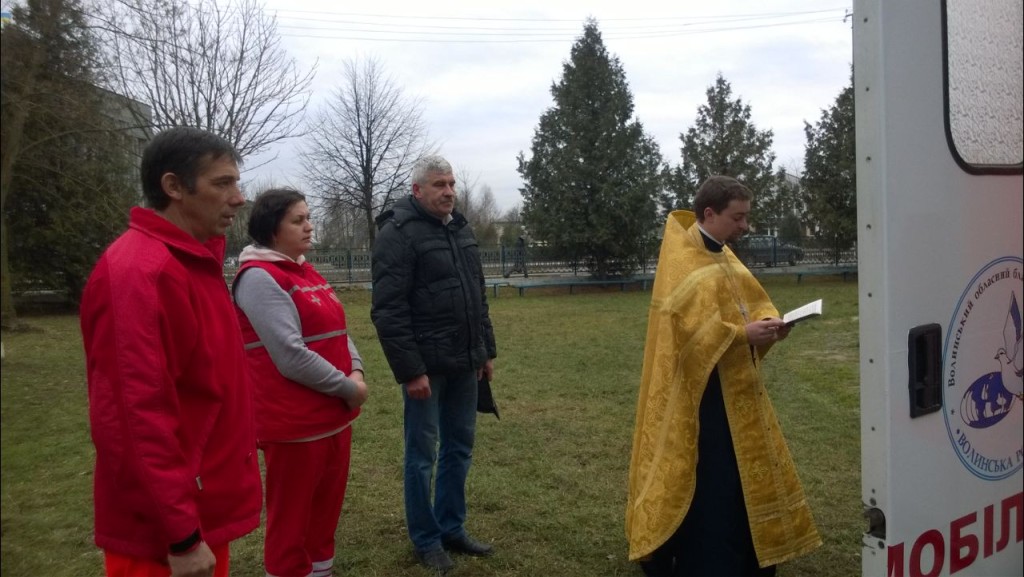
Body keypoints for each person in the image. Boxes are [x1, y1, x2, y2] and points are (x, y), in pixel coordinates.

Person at [79, 126, 261, 577]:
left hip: (200, 508)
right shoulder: (140, 273)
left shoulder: (193, 262)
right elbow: (132, 418)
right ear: (174, 186)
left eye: (237, 183)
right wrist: (179, 534)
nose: (239, 198)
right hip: (165, 537)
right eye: (223, 183)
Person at [625, 175, 821, 577]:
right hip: (703, 395)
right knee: (713, 479)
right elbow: (686, 333)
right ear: (710, 213)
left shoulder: (724, 254)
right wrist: (742, 335)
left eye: (747, 217)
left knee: (740, 479)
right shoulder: (683, 259)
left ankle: (750, 558)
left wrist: (771, 325)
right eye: (738, 217)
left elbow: (752, 303)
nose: (745, 226)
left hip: (740, 388)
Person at [232, 188, 369, 577]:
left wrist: (356, 370)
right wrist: (349, 388)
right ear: (271, 228)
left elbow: (338, 329)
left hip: (333, 417)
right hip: (295, 426)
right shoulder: (258, 277)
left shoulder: (306, 270)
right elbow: (290, 355)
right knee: (291, 523)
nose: (309, 226)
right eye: (298, 220)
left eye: (309, 218)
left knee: (324, 517)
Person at [370, 155, 498, 573]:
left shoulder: (459, 228)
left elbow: (476, 295)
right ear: (417, 190)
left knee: (459, 448)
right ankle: (425, 539)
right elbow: (388, 310)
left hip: (464, 362)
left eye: (452, 184)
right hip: (426, 368)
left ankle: (451, 527)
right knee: (422, 455)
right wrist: (411, 371)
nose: (449, 192)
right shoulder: (397, 233)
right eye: (440, 185)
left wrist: (484, 351)